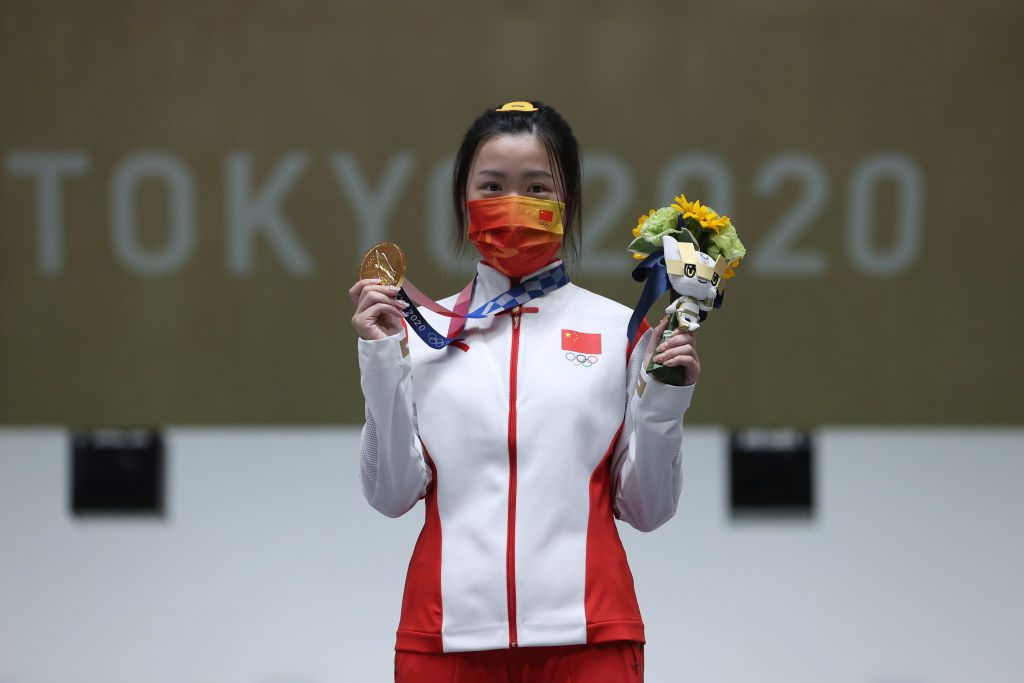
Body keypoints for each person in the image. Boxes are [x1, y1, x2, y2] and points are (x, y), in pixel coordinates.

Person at [349, 100, 700, 683]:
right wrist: (380, 360)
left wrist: (667, 400)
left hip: (591, 642)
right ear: (464, 202)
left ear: (569, 203)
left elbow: (649, 508)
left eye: (537, 187)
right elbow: (390, 494)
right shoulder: (421, 331)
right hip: (445, 641)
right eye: (492, 185)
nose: (513, 204)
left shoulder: (622, 331)